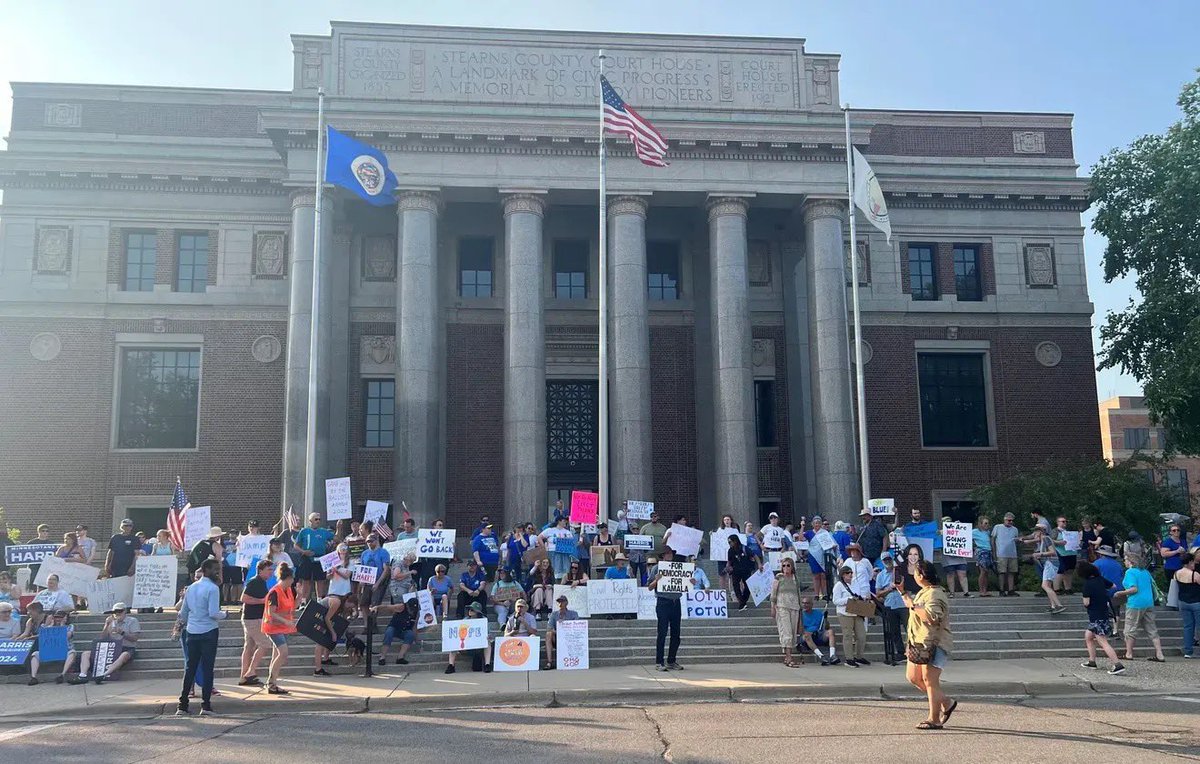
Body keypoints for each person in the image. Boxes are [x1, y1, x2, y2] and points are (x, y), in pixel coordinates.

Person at [902, 560, 957, 730]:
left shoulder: (935, 594)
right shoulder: (924, 592)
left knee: (930, 680)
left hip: (934, 643)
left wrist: (912, 605)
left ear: (921, 575)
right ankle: (946, 702)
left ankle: (934, 719)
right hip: (918, 643)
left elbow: (933, 618)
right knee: (914, 677)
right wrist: (902, 592)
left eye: (915, 571)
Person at [176, 558, 226, 716]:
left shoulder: (191, 588)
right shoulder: (212, 588)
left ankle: (182, 705)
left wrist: (179, 627)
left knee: (190, 668)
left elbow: (183, 613)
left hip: (192, 630)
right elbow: (213, 613)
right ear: (206, 570)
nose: (217, 572)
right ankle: (205, 705)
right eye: (215, 569)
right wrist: (225, 614)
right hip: (208, 631)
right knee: (207, 668)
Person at [1077, 560, 1126, 675]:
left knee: (1102, 641)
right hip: (1103, 613)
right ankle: (1092, 661)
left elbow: (1086, 603)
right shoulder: (1100, 580)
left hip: (1095, 615)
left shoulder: (1087, 585)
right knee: (1088, 636)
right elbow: (1113, 586)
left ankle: (1117, 664)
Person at [74, 602, 140, 684]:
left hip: (127, 647)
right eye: (115, 612)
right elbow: (102, 638)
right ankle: (82, 675)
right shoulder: (112, 622)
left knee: (124, 655)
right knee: (86, 654)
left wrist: (122, 633)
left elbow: (135, 638)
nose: (117, 614)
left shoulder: (132, 621)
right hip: (112, 647)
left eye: (119, 611)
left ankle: (104, 674)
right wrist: (106, 625)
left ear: (124, 611)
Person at [648, 548, 691, 671]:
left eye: (671, 554)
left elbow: (684, 584)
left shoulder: (678, 567)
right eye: (667, 553)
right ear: (662, 556)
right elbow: (649, 587)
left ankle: (671, 660)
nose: (670, 555)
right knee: (662, 633)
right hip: (663, 602)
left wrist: (691, 582)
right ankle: (659, 662)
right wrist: (657, 580)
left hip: (675, 602)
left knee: (676, 634)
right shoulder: (656, 568)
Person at [1116, 555, 1165, 662]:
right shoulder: (1145, 572)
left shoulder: (1130, 572)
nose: (1124, 561)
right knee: (1152, 628)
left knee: (1130, 628)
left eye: (1125, 559)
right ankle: (1159, 653)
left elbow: (1134, 589)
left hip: (1135, 603)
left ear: (1131, 561)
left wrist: (1121, 593)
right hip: (1149, 602)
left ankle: (1129, 653)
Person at [262, 562, 297, 694]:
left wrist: (299, 595)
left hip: (282, 627)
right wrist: (286, 621)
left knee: (277, 654)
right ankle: (271, 682)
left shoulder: (288, 590)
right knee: (283, 652)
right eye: (292, 579)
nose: (293, 582)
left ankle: (272, 682)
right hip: (272, 626)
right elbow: (271, 613)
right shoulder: (274, 592)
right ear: (288, 578)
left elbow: (292, 606)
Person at [236, 559, 273, 687]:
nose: (271, 572)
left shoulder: (261, 582)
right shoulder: (255, 582)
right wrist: (262, 601)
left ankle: (243, 676)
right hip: (252, 619)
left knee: (249, 647)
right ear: (261, 570)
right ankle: (250, 672)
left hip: (252, 617)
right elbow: (244, 598)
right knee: (265, 644)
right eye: (269, 570)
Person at [832, 566, 869, 667]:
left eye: (851, 573)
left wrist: (862, 598)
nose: (851, 575)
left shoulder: (855, 583)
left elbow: (858, 595)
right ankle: (849, 658)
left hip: (856, 611)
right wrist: (848, 599)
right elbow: (835, 601)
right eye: (848, 573)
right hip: (844, 613)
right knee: (847, 635)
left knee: (861, 635)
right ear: (843, 575)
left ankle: (859, 656)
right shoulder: (838, 586)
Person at [28, 608, 77, 685]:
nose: (58, 619)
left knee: (72, 653)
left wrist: (62, 625)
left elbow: (66, 636)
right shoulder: (48, 627)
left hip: (64, 650)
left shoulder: (70, 626)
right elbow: (43, 635)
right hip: (50, 651)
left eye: (60, 617)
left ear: (65, 618)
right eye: (56, 617)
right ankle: (33, 677)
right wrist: (48, 625)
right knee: (35, 654)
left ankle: (62, 675)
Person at [876, 553, 908, 665]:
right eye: (885, 560)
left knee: (909, 628)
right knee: (894, 631)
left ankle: (912, 651)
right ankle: (900, 652)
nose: (887, 561)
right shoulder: (880, 576)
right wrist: (888, 589)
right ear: (882, 561)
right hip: (890, 603)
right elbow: (878, 593)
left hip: (902, 603)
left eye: (889, 559)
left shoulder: (899, 571)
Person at [770, 557, 803, 667]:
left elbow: (798, 594)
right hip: (782, 606)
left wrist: (801, 607)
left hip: (794, 607)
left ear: (792, 567)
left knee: (793, 632)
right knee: (787, 631)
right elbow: (773, 595)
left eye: (788, 565)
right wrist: (772, 607)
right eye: (783, 565)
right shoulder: (778, 578)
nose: (786, 568)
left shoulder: (795, 579)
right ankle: (789, 657)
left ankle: (788, 655)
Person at [444, 601, 492, 674]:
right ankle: (451, 665)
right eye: (469, 609)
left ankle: (487, 665)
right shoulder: (465, 620)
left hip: (479, 648)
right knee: (453, 641)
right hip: (466, 646)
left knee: (487, 642)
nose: (470, 611)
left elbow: (488, 634)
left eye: (472, 610)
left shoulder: (483, 621)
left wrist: (488, 637)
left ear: (477, 612)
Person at [295, 512, 334, 602]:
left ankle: (319, 600)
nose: (318, 521)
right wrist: (304, 551)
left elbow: (336, 538)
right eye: (316, 519)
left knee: (320, 579)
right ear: (310, 521)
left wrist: (339, 528)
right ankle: (304, 601)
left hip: (320, 558)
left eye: (319, 519)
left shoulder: (323, 531)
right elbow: (296, 545)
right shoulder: (304, 531)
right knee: (306, 579)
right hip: (307, 558)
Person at [373, 596, 419, 666]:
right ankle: (382, 657)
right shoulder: (401, 607)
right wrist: (377, 607)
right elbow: (387, 607)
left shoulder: (416, 613)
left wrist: (415, 639)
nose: (412, 610)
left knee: (410, 635)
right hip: (394, 627)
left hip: (405, 630)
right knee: (389, 633)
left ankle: (400, 657)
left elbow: (414, 627)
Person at [1032, 526, 1067, 614]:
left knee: (1045, 586)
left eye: (1035, 532)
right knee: (1049, 585)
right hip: (1050, 563)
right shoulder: (1042, 541)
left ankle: (1059, 605)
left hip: (1050, 563)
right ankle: (1053, 606)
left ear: (1040, 532)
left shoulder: (1046, 539)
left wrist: (1040, 554)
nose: (1034, 534)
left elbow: (1052, 552)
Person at [1172, 550, 1199, 659]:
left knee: (1188, 627)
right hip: (1197, 602)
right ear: (1190, 562)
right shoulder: (1195, 574)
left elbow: (1175, 588)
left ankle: (1188, 651)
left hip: (1183, 602)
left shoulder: (1176, 574)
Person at [797, 597, 839, 665]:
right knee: (807, 635)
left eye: (807, 603)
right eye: (803, 603)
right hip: (807, 637)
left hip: (818, 634)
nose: (805, 605)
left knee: (831, 631)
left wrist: (825, 619)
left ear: (812, 604)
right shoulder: (800, 615)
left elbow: (827, 627)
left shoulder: (818, 613)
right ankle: (821, 656)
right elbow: (799, 631)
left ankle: (832, 655)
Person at [544, 594, 580, 670]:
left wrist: (565, 625)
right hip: (557, 638)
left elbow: (578, 627)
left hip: (570, 638)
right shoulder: (554, 614)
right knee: (548, 634)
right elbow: (549, 628)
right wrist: (558, 631)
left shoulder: (574, 614)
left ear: (566, 603)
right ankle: (549, 662)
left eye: (562, 602)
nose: (560, 604)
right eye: (559, 602)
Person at [726, 533, 760, 611]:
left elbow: (754, 555)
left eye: (730, 542)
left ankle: (743, 602)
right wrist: (728, 567)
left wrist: (759, 564)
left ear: (735, 541)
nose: (729, 544)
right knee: (736, 586)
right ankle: (741, 602)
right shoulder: (730, 550)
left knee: (748, 587)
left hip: (746, 569)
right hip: (735, 571)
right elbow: (729, 560)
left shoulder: (745, 548)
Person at [357, 533, 391, 610]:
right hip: (367, 582)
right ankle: (366, 622)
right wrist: (361, 581)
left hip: (379, 581)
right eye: (368, 542)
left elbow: (386, 569)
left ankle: (373, 621)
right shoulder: (364, 553)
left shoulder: (383, 552)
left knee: (375, 604)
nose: (369, 543)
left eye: (371, 541)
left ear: (376, 541)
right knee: (363, 604)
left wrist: (377, 583)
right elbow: (362, 568)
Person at [991, 512, 1021, 597]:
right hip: (1001, 553)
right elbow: (993, 539)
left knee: (1012, 572)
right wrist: (993, 552)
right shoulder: (998, 527)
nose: (1010, 522)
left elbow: (1016, 540)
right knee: (1001, 572)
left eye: (1011, 520)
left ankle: (1011, 589)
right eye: (1009, 520)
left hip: (1012, 553)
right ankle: (1001, 589)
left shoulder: (1015, 529)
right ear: (1004, 519)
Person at [803, 517, 829, 600]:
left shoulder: (824, 532)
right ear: (812, 524)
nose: (817, 524)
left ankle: (824, 594)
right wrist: (802, 526)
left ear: (821, 524)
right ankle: (816, 594)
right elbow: (800, 538)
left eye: (818, 522)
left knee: (823, 575)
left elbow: (829, 542)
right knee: (816, 575)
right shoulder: (809, 533)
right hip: (813, 556)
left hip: (822, 555)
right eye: (815, 523)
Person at [1050, 515, 1078, 595]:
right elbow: (1050, 540)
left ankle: (1068, 588)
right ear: (1058, 522)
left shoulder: (1068, 531)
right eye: (1063, 521)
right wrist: (1059, 542)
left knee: (1070, 570)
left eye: (1066, 521)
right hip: (1061, 553)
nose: (1065, 523)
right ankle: (1056, 589)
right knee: (1061, 570)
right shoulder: (1055, 531)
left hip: (1071, 552)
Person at [714, 515, 738, 594]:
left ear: (731, 520)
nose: (727, 521)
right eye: (725, 520)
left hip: (732, 556)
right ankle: (722, 591)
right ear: (723, 522)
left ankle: (733, 591)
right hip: (721, 555)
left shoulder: (735, 530)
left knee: (732, 574)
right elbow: (716, 541)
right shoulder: (720, 530)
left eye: (728, 519)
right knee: (722, 574)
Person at [972, 517, 994, 597]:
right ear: (980, 524)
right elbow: (966, 536)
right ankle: (981, 590)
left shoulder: (987, 532)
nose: (987, 525)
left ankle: (985, 590)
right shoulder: (975, 532)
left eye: (988, 523)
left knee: (986, 572)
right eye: (985, 523)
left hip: (988, 551)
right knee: (983, 571)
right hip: (981, 551)